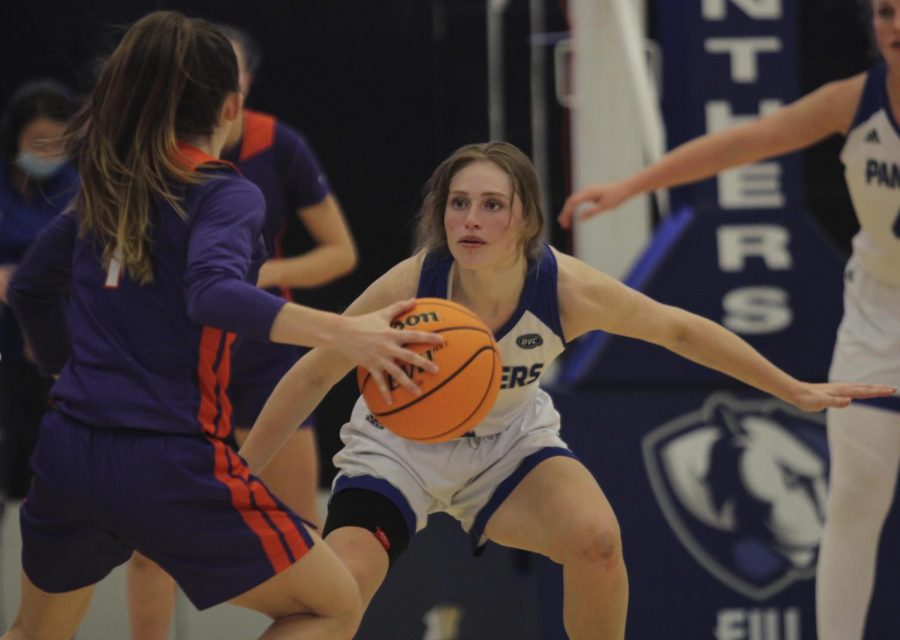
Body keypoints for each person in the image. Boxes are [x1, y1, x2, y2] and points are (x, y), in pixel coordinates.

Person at [241, 141, 895, 640]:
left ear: (525, 218)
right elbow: (316, 371)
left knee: (596, 541)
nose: (471, 219)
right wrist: (237, 475)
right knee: (338, 595)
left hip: (507, 445)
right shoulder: (414, 284)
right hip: (397, 449)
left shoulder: (567, 290)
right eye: (458, 203)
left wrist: (792, 389)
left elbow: (680, 332)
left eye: (492, 204)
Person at [0, 11, 441, 640]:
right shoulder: (223, 192)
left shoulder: (108, 182)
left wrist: (61, 368)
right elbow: (212, 295)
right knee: (334, 603)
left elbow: (33, 289)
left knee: (32, 632)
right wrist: (348, 332)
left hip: (69, 448)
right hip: (167, 454)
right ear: (230, 105)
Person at [559, 3, 900, 638]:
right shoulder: (852, 101)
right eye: (885, 11)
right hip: (879, 314)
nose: (896, 24)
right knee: (854, 501)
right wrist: (632, 185)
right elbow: (745, 141)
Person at [125, 25, 358, 640]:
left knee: (300, 530)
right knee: (151, 543)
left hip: (259, 350)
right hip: (180, 357)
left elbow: (339, 252)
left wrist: (257, 275)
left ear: (242, 88)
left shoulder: (278, 145)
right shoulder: (151, 153)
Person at [0, 79, 78, 504]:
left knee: (46, 477)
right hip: (7, 341)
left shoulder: (78, 189)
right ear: (15, 137)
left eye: (58, 143)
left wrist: (46, 331)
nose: (47, 152)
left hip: (52, 343)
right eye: (38, 142)